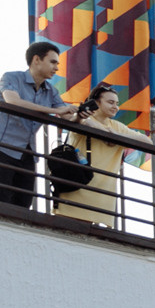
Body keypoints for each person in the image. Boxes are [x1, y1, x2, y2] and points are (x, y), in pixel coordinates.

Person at [0, 42, 74, 207]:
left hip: (27, 153)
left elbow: (67, 117)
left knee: (23, 206)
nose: (56, 68)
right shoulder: (11, 77)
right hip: (0, 148)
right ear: (37, 59)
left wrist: (80, 115)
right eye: (53, 62)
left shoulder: (50, 90)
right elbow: (13, 101)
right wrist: (53, 111)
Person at [51, 88, 135, 228]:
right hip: (76, 187)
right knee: (66, 232)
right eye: (110, 102)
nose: (115, 107)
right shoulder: (84, 119)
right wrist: (108, 134)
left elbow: (147, 141)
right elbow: (79, 121)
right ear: (96, 102)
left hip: (102, 194)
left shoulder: (117, 127)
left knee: (94, 241)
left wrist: (113, 134)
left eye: (116, 103)